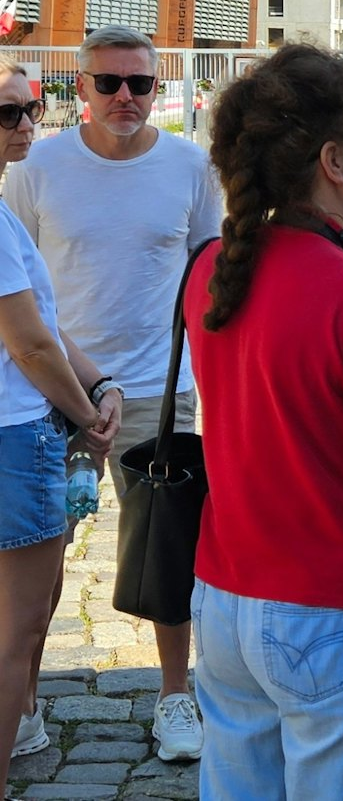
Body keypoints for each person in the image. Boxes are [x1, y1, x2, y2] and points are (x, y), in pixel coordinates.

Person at [183, 43, 343, 800]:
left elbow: (276, 383)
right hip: (335, 611)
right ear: (334, 159)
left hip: (227, 601)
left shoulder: (210, 269)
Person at [5, 26, 223, 761]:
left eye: (141, 84)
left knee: (169, 549)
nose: (125, 97)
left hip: (163, 391)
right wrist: (73, 393)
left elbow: (208, 277)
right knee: (41, 554)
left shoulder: (191, 166)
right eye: (109, 84)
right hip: (56, 394)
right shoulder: (38, 169)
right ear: (81, 90)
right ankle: (24, 703)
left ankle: (174, 698)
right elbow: (25, 292)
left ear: (159, 89)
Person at [0, 58, 120, 790]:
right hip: (16, 438)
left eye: (29, 109)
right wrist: (86, 416)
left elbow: (44, 323)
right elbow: (30, 343)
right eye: (6, 114)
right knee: (17, 637)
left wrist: (99, 380)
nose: (23, 126)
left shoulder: (7, 208)